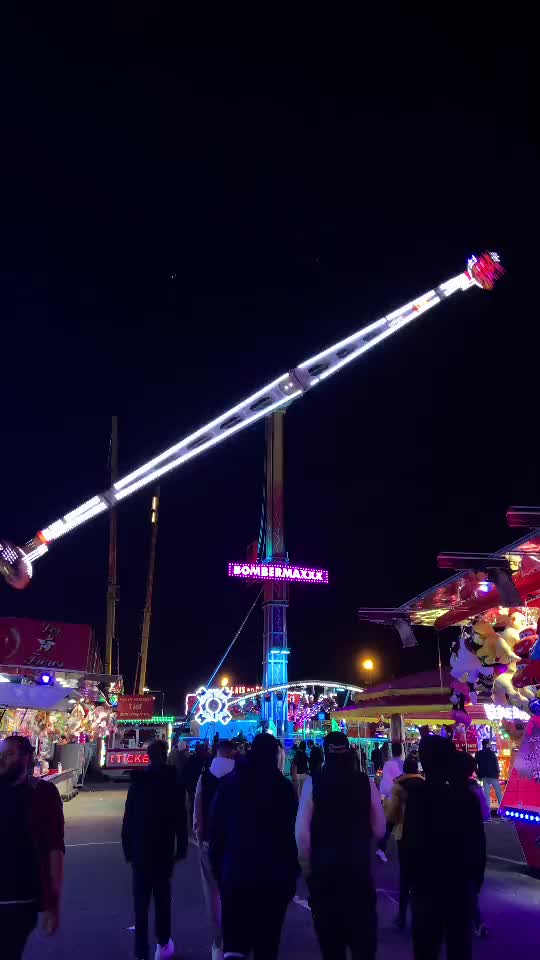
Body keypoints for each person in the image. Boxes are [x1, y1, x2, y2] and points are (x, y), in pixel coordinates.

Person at [295, 731, 385, 960]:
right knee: (363, 947)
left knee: (332, 948)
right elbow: (380, 829)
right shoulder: (365, 782)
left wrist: (308, 870)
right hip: (358, 873)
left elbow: (301, 834)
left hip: (326, 875)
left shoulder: (314, 782)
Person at [209, 733, 298, 960]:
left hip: (236, 876)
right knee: (266, 947)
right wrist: (291, 878)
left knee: (235, 948)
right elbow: (291, 838)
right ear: (275, 755)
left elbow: (216, 834)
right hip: (272, 880)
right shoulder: (283, 788)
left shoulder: (230, 784)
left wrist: (221, 873)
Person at [402, 735, 486, 960]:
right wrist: (475, 880)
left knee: (426, 947)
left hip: (427, 885)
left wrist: (410, 880)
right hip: (459, 883)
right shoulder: (466, 797)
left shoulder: (419, 796)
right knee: (459, 945)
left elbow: (410, 842)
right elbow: (478, 843)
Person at [0, 735, 65, 960]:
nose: (2, 759)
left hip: (20, 900)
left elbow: (55, 849)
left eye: (9, 754)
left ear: (27, 758)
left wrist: (53, 904)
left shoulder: (43, 795)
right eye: (0, 754)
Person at [122, 739, 188, 960]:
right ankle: (163, 942)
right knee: (162, 899)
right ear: (165, 755)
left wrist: (128, 847)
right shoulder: (173, 782)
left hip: (141, 850)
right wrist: (182, 846)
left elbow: (129, 818)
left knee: (140, 904)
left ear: (148, 756)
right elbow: (180, 818)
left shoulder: (138, 782)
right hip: (163, 849)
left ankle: (141, 950)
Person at [193, 739, 235, 960]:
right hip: (235, 844)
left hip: (209, 843)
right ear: (232, 752)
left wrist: (201, 839)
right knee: (235, 894)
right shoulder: (240, 776)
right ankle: (234, 943)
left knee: (213, 897)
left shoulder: (205, 777)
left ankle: (218, 945)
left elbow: (197, 812)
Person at [451, 750, 490, 937]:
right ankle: (476, 921)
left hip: (456, 848)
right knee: (469, 887)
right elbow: (485, 815)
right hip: (472, 846)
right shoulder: (475, 791)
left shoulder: (450, 793)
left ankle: (472, 922)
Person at [386, 756, 424, 930]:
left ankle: (402, 916)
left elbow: (392, 814)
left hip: (405, 834)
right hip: (423, 834)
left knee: (405, 876)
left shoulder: (399, 786)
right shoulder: (425, 785)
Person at [376, 741, 404, 862]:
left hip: (389, 797)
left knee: (390, 825)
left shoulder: (388, 764)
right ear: (401, 751)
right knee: (397, 825)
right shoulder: (401, 763)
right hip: (397, 797)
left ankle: (381, 848)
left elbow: (385, 781)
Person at [183, 741, 210, 823]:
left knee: (194, 806)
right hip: (199, 787)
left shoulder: (191, 759)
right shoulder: (206, 760)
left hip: (193, 787)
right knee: (201, 806)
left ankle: (193, 822)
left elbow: (186, 773)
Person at [475, 738, 503, 812]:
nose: (491, 745)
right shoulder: (492, 753)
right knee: (499, 794)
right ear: (487, 745)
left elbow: (475, 765)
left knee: (486, 796)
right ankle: (502, 812)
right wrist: (498, 774)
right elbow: (496, 764)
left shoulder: (478, 754)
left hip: (484, 777)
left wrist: (479, 775)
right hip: (493, 776)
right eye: (490, 743)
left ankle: (487, 814)